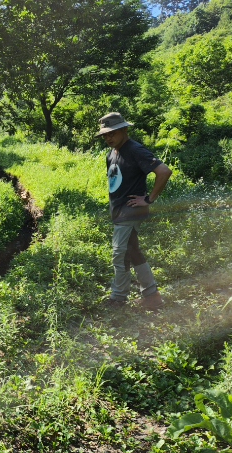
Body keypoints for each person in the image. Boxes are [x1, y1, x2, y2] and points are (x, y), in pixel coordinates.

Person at [96, 112, 172, 311]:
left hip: (129, 212)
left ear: (124, 129)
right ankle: (152, 296)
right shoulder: (111, 153)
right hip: (119, 211)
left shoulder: (135, 150)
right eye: (104, 135)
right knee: (133, 251)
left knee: (119, 254)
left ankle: (118, 298)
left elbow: (163, 171)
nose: (107, 138)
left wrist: (148, 199)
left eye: (111, 133)